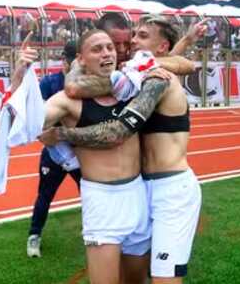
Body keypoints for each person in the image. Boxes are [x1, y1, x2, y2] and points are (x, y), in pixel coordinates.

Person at [49, 14, 206, 284]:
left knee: (164, 279)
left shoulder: (157, 78)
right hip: (144, 189)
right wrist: (186, 41)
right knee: (137, 275)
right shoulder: (139, 72)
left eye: (142, 36)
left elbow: (117, 131)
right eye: (134, 34)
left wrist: (63, 133)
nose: (132, 40)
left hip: (172, 191)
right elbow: (176, 60)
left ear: (160, 48)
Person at [16, 30, 150, 284]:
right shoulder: (67, 100)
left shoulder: (131, 86)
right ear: (80, 59)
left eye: (109, 47)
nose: (107, 53)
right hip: (101, 200)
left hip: (138, 195)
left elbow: (177, 63)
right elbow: (23, 124)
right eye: (97, 49)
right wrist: (19, 74)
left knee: (136, 281)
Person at [26, 41, 82, 258]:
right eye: (75, 61)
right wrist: (44, 137)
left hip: (80, 151)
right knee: (45, 196)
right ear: (66, 61)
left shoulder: (88, 83)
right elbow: (35, 121)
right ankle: (34, 235)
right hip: (53, 154)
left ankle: (94, 230)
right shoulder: (49, 83)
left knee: (90, 194)